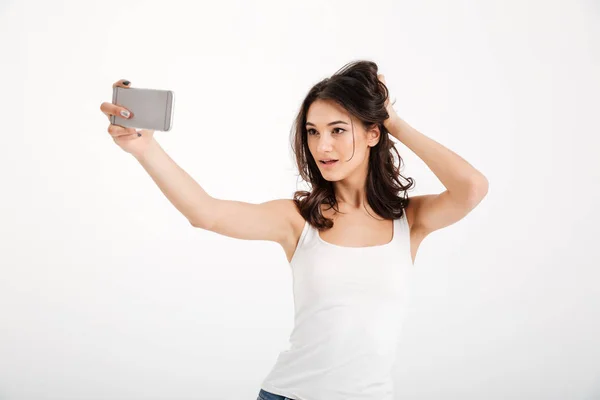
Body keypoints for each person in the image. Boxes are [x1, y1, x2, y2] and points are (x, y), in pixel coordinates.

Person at [99, 60, 488, 400]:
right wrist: (145, 149)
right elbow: (206, 213)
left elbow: (471, 188)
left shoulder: (410, 220)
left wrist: (395, 123)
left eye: (338, 130)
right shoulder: (299, 219)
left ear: (373, 134)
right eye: (312, 131)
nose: (323, 145)